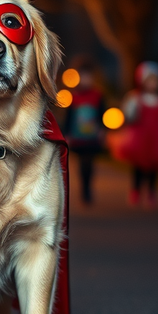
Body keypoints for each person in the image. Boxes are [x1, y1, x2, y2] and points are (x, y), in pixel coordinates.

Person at [120, 61, 158, 208]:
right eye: (149, 80)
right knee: (138, 165)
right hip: (140, 137)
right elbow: (127, 115)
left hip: (156, 139)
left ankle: (152, 192)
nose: (153, 84)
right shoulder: (134, 98)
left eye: (155, 81)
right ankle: (136, 189)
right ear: (142, 81)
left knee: (154, 167)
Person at [61, 57, 105, 205]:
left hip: (92, 137)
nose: (86, 79)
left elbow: (102, 115)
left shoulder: (98, 96)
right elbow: (68, 117)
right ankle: (83, 188)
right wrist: (66, 134)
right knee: (81, 163)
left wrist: (103, 130)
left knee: (90, 163)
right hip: (78, 137)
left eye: (89, 77)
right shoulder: (73, 98)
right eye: (83, 76)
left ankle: (88, 188)